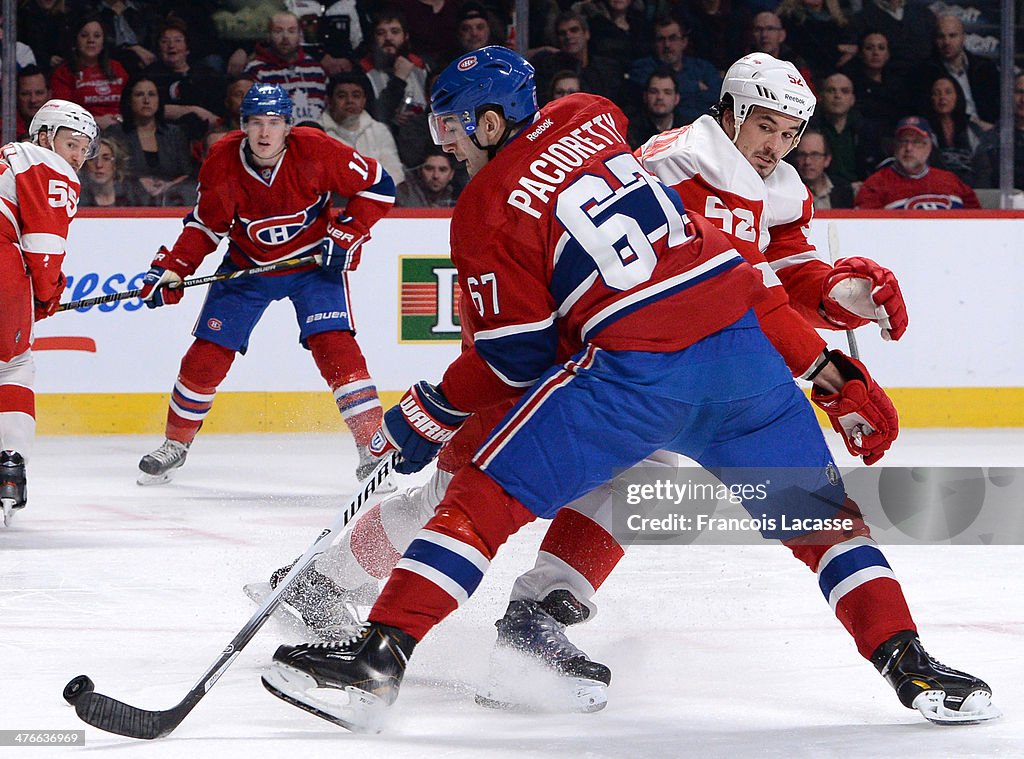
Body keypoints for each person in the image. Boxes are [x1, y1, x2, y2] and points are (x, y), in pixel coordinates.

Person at [260, 46, 993, 731]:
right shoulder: (649, 145)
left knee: (545, 488)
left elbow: (767, 271)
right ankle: (328, 583)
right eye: (765, 126)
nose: (776, 144)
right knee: (461, 482)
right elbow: (737, 278)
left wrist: (840, 298)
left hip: (624, 360)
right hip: (661, 348)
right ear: (730, 115)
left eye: (789, 130)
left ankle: (508, 627)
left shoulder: (749, 181)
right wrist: (828, 370)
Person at [135, 84, 396, 485]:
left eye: (274, 123)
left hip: (312, 266)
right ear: (243, 126)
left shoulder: (317, 149)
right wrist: (175, 268)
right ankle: (176, 444)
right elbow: (206, 226)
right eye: (256, 122)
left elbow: (380, 186)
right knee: (207, 354)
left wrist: (347, 234)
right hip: (247, 266)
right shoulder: (222, 160)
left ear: (288, 127)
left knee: (336, 347)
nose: (264, 132)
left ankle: (372, 449)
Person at [0, 99, 97, 526]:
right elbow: (43, 248)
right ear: (44, 136)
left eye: (84, 149)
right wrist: (46, 293)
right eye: (71, 143)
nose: (77, 156)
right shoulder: (46, 166)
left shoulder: (7, 157)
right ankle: (9, 467)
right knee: (14, 366)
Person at [856, 115, 981, 209]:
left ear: (929, 146)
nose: (909, 148)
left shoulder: (950, 180)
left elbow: (980, 223)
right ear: (894, 146)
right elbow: (866, 231)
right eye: (903, 141)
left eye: (916, 142)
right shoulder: (876, 184)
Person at [143, 16, 227, 142]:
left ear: (187, 48)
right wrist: (193, 110)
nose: (171, 46)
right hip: (164, 135)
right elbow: (150, 107)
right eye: (165, 41)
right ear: (158, 49)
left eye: (178, 40)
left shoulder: (207, 74)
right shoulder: (150, 76)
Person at [629, 17, 721, 125]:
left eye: (673, 38)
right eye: (661, 39)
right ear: (654, 43)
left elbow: (717, 97)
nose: (667, 45)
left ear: (684, 42)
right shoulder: (642, 68)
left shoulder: (703, 68)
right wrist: (696, 86)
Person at [320, 72, 405, 187]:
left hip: (375, 199)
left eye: (356, 96)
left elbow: (395, 172)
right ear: (329, 101)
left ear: (364, 100)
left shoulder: (379, 130)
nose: (350, 100)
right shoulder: (318, 133)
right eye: (342, 96)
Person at [244, 11, 328, 123]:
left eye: (291, 31)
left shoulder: (316, 69)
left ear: (300, 35)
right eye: (278, 31)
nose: (285, 37)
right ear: (268, 36)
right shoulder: (256, 70)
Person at [48, 14, 129, 130]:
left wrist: (122, 119)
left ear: (103, 41)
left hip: (121, 129)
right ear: (75, 40)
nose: (91, 40)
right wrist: (95, 121)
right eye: (84, 36)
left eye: (97, 36)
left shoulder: (117, 68)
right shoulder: (63, 73)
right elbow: (62, 113)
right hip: (80, 131)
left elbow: (130, 103)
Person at [920, 14, 999, 130]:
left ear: (963, 37)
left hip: (989, 134)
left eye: (952, 36)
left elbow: (999, 106)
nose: (946, 42)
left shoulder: (985, 67)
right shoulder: (925, 72)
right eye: (941, 37)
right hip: (949, 135)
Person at [921, 74, 993, 188]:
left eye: (948, 92)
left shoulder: (972, 130)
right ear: (931, 98)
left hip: (971, 192)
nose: (942, 97)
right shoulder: (924, 130)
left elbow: (983, 169)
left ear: (957, 96)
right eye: (937, 93)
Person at [793, 128, 854, 209]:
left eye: (815, 155)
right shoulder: (789, 191)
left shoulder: (844, 190)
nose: (807, 161)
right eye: (802, 155)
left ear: (827, 160)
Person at [627, 67, 685, 149]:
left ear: (676, 98)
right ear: (645, 96)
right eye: (653, 92)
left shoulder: (686, 130)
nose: (660, 97)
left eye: (667, 92)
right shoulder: (631, 131)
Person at [79, 136, 143, 206]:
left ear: (116, 164)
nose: (99, 165)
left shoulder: (133, 195)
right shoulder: (76, 198)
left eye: (106, 159)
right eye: (92, 159)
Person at [14, 65, 51, 140]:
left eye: (39, 93)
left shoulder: (63, 126)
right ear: (16, 96)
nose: (33, 100)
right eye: (25, 94)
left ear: (49, 94)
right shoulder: (5, 128)